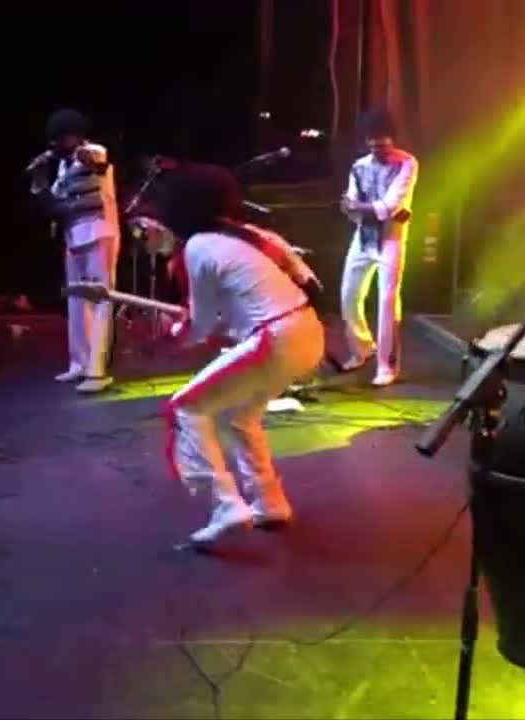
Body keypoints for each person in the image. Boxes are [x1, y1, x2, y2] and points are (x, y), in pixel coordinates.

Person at [155, 164, 326, 548]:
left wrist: (173, 332)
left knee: (186, 407)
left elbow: (199, 328)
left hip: (274, 339)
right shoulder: (258, 235)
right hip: (308, 334)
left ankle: (225, 504)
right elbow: (311, 283)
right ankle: (270, 502)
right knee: (242, 417)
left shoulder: (199, 246)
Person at [29, 108, 120, 394]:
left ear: (75, 135)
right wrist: (39, 178)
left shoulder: (94, 151)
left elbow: (94, 161)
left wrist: (74, 152)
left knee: (100, 299)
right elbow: (52, 202)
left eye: (61, 137)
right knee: (76, 302)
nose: (55, 143)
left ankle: (97, 370)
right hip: (73, 238)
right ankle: (79, 363)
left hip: (99, 233)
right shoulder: (63, 168)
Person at [338, 108, 419, 387]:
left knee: (387, 302)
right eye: (372, 139)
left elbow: (390, 206)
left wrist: (362, 207)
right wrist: (364, 209)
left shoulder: (407, 163)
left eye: (382, 138)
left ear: (392, 137)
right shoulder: (359, 166)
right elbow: (350, 207)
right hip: (363, 238)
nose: (377, 144)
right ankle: (362, 349)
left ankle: (387, 366)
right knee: (349, 295)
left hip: (391, 240)